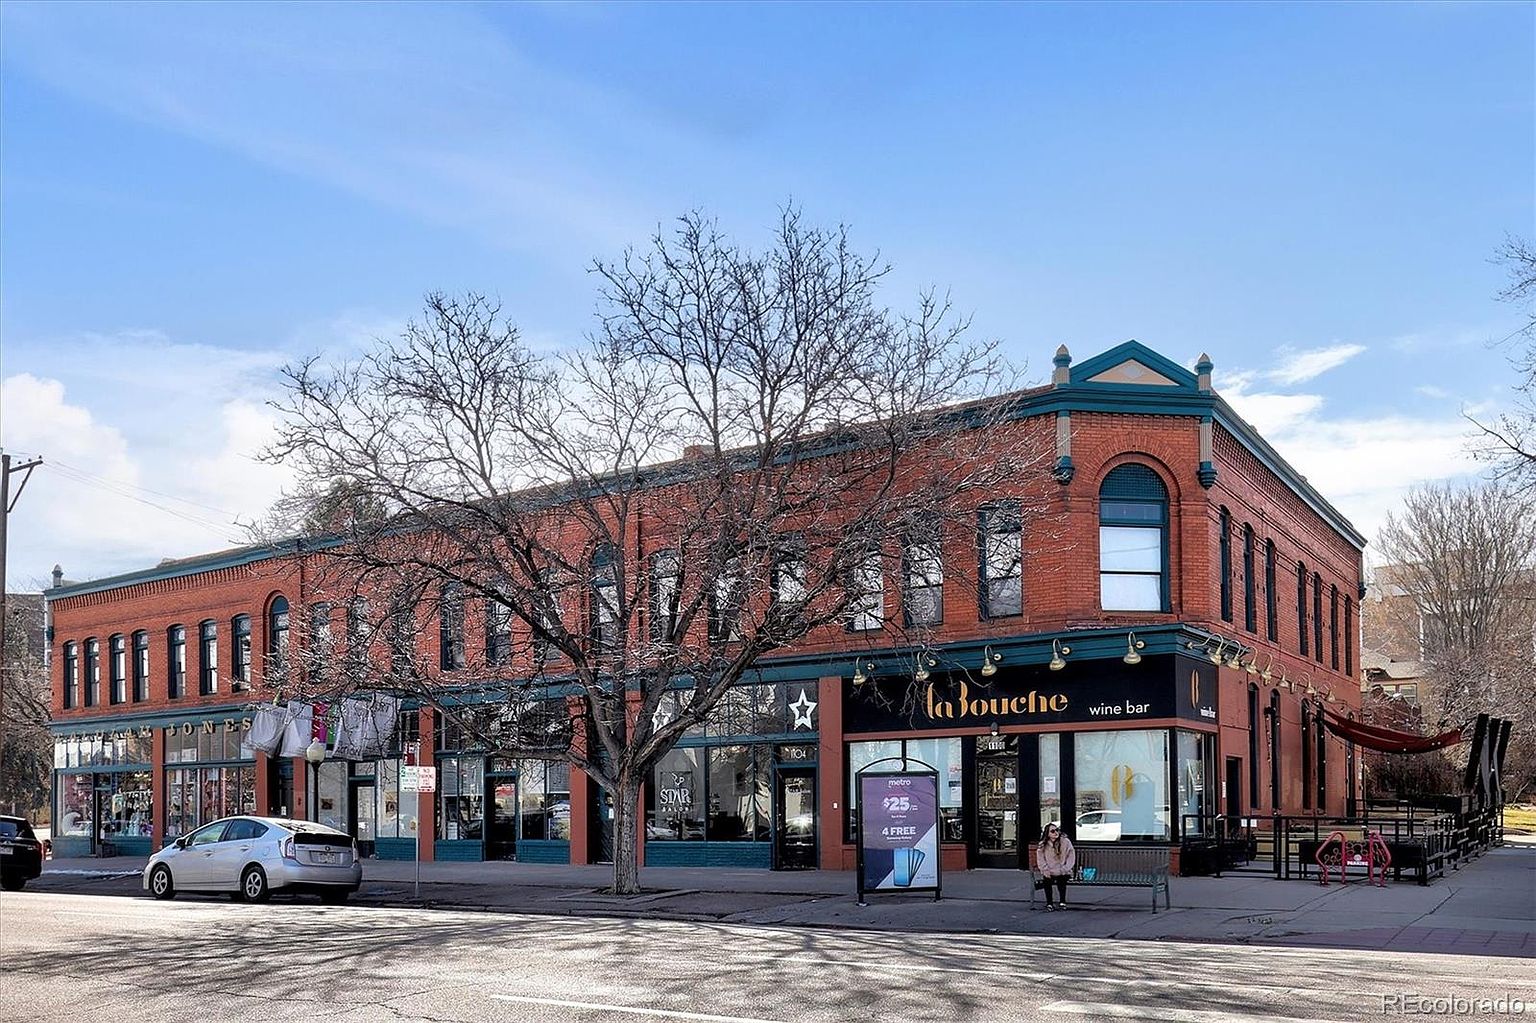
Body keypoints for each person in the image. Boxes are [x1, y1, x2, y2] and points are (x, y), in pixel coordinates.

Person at [1036, 821, 1076, 911]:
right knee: (1047, 881)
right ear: (1048, 834)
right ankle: (1049, 903)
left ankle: (1062, 902)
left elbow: (1071, 855)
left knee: (1061, 880)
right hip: (1049, 870)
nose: (1056, 833)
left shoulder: (1065, 841)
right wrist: (1045, 869)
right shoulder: (1043, 845)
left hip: (1063, 870)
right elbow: (1040, 859)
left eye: (1057, 830)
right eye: (1052, 831)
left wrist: (1065, 868)